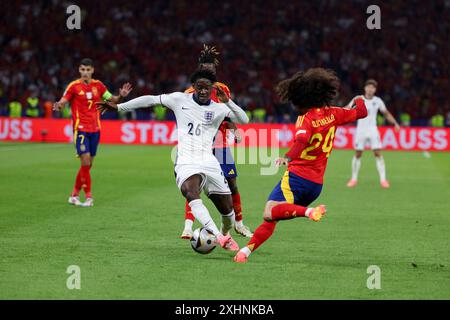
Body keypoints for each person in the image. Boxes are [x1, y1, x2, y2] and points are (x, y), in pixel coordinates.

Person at [96, 69, 249, 251]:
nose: (202, 91)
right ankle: (219, 237)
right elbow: (150, 99)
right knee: (189, 191)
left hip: (209, 162)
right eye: (199, 87)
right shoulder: (179, 99)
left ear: (212, 89)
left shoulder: (219, 108)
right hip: (186, 161)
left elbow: (244, 120)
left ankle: (225, 232)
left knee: (227, 213)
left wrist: (228, 101)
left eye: (207, 88)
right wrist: (121, 107)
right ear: (193, 87)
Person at [233, 68, 368, 263]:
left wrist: (287, 158)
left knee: (270, 211)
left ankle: (309, 212)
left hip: (297, 177)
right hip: (316, 185)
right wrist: (359, 99)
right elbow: (361, 112)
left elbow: (301, 142)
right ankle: (244, 253)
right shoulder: (335, 113)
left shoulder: (306, 119)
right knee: (272, 217)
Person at [181, 45, 253, 239]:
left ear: (215, 69)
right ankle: (188, 226)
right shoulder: (189, 92)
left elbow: (228, 116)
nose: (209, 71)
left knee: (232, 184)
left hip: (220, 144)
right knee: (193, 184)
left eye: (211, 69)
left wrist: (235, 131)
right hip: (198, 146)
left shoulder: (222, 90)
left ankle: (239, 223)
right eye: (205, 68)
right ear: (199, 69)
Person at [53, 58, 132, 206]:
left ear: (92, 70)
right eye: (82, 69)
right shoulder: (74, 86)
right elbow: (64, 99)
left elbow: (113, 99)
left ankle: (74, 195)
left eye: (88, 70)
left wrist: (121, 95)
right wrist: (59, 105)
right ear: (79, 70)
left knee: (87, 165)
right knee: (86, 161)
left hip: (95, 129)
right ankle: (88, 196)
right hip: (81, 129)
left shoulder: (99, 86)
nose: (85, 73)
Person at [346, 79, 400, 189]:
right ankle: (353, 179)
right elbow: (346, 109)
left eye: (373, 88)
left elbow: (386, 113)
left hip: (372, 130)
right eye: (369, 87)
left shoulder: (378, 101)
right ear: (365, 88)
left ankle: (383, 180)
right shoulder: (358, 99)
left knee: (377, 153)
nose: (370, 89)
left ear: (375, 90)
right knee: (358, 154)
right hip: (360, 129)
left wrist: (395, 123)